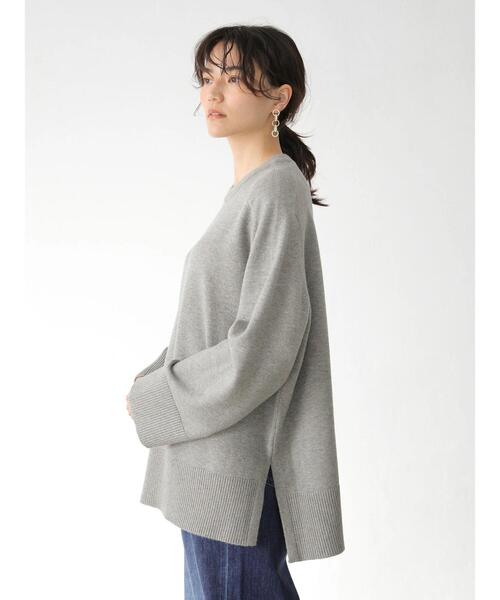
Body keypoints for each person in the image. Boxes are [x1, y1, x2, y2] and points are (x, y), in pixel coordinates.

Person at [126, 24, 345, 599]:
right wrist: (154, 375)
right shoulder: (250, 193)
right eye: (206, 78)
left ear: (280, 97)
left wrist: (157, 395)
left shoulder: (276, 190)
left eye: (235, 77)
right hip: (213, 463)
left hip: (235, 467)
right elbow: (213, 324)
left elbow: (264, 347)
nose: (213, 93)